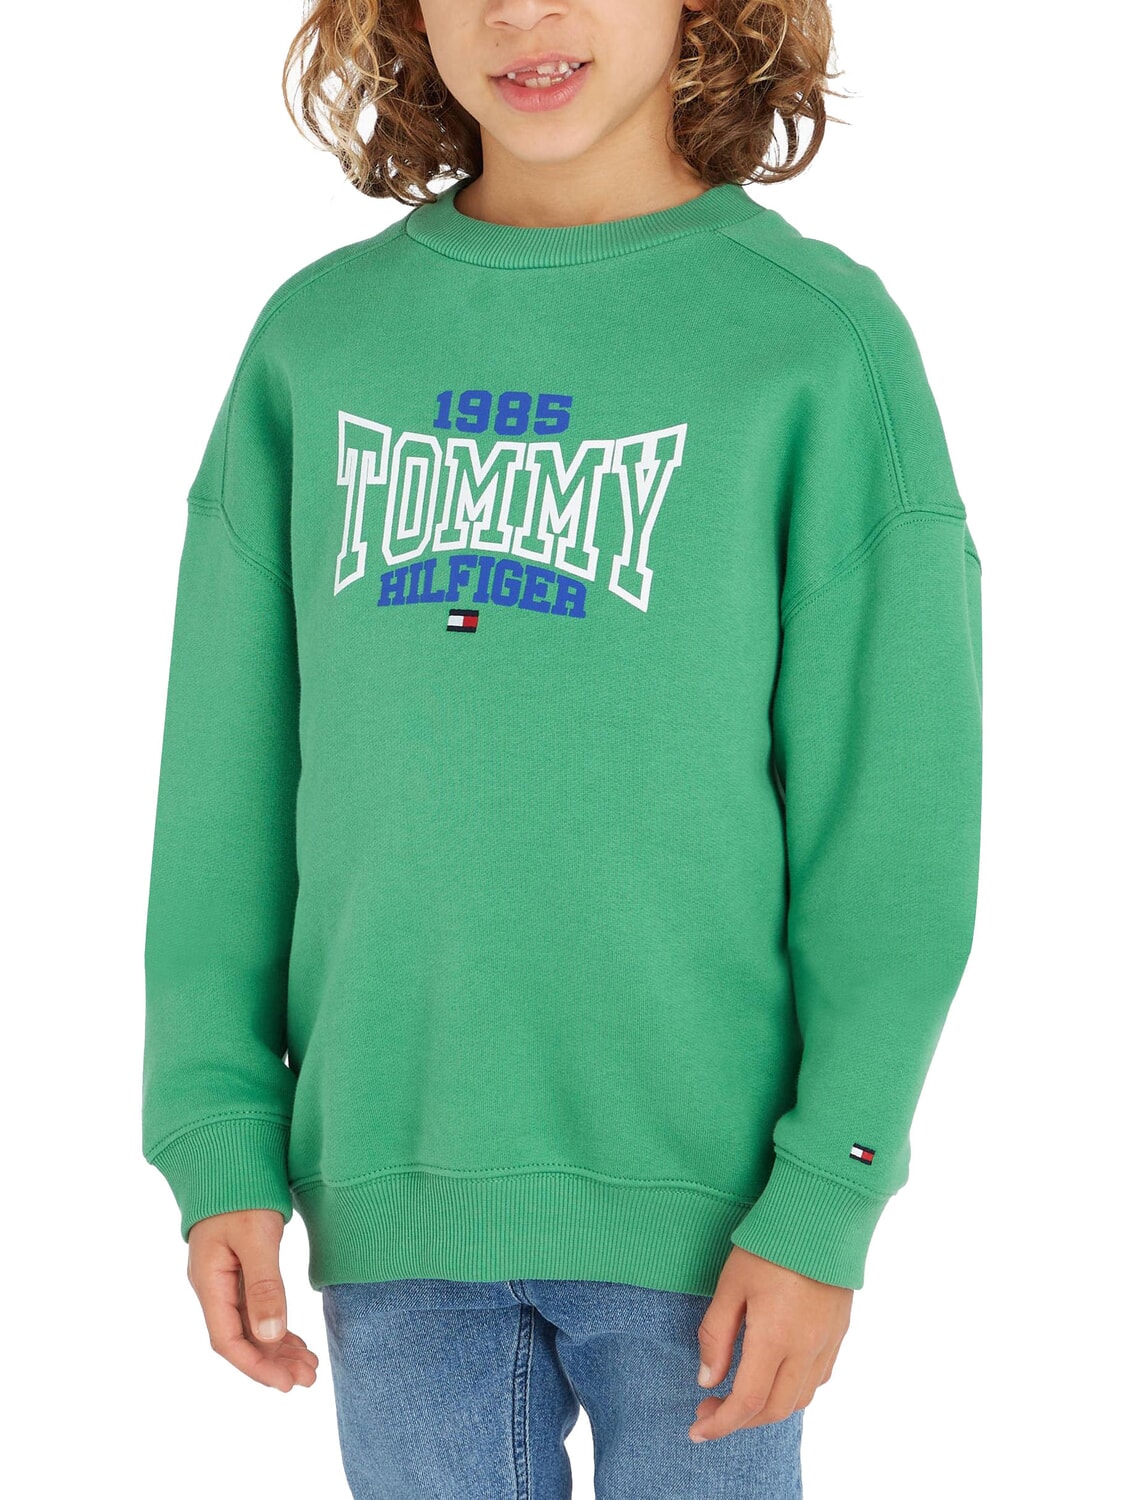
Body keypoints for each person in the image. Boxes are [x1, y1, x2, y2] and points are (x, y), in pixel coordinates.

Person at [141, 1, 983, 1495]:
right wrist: (217, 1134)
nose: (520, 13)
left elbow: (891, 812)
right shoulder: (319, 341)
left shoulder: (810, 342)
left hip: (716, 1221)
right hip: (389, 1195)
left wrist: (829, 1190)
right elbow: (223, 782)